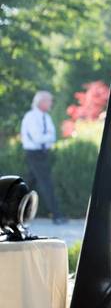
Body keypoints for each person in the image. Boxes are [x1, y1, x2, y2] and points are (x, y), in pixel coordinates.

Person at [20, 91, 65, 224]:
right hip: (34, 154)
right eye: (49, 100)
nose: (51, 103)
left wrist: (47, 139)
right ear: (41, 102)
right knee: (46, 183)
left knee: (28, 185)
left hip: (43, 154)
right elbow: (38, 138)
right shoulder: (31, 117)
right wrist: (47, 138)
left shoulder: (46, 117)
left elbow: (53, 136)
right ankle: (57, 215)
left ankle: (13, 210)